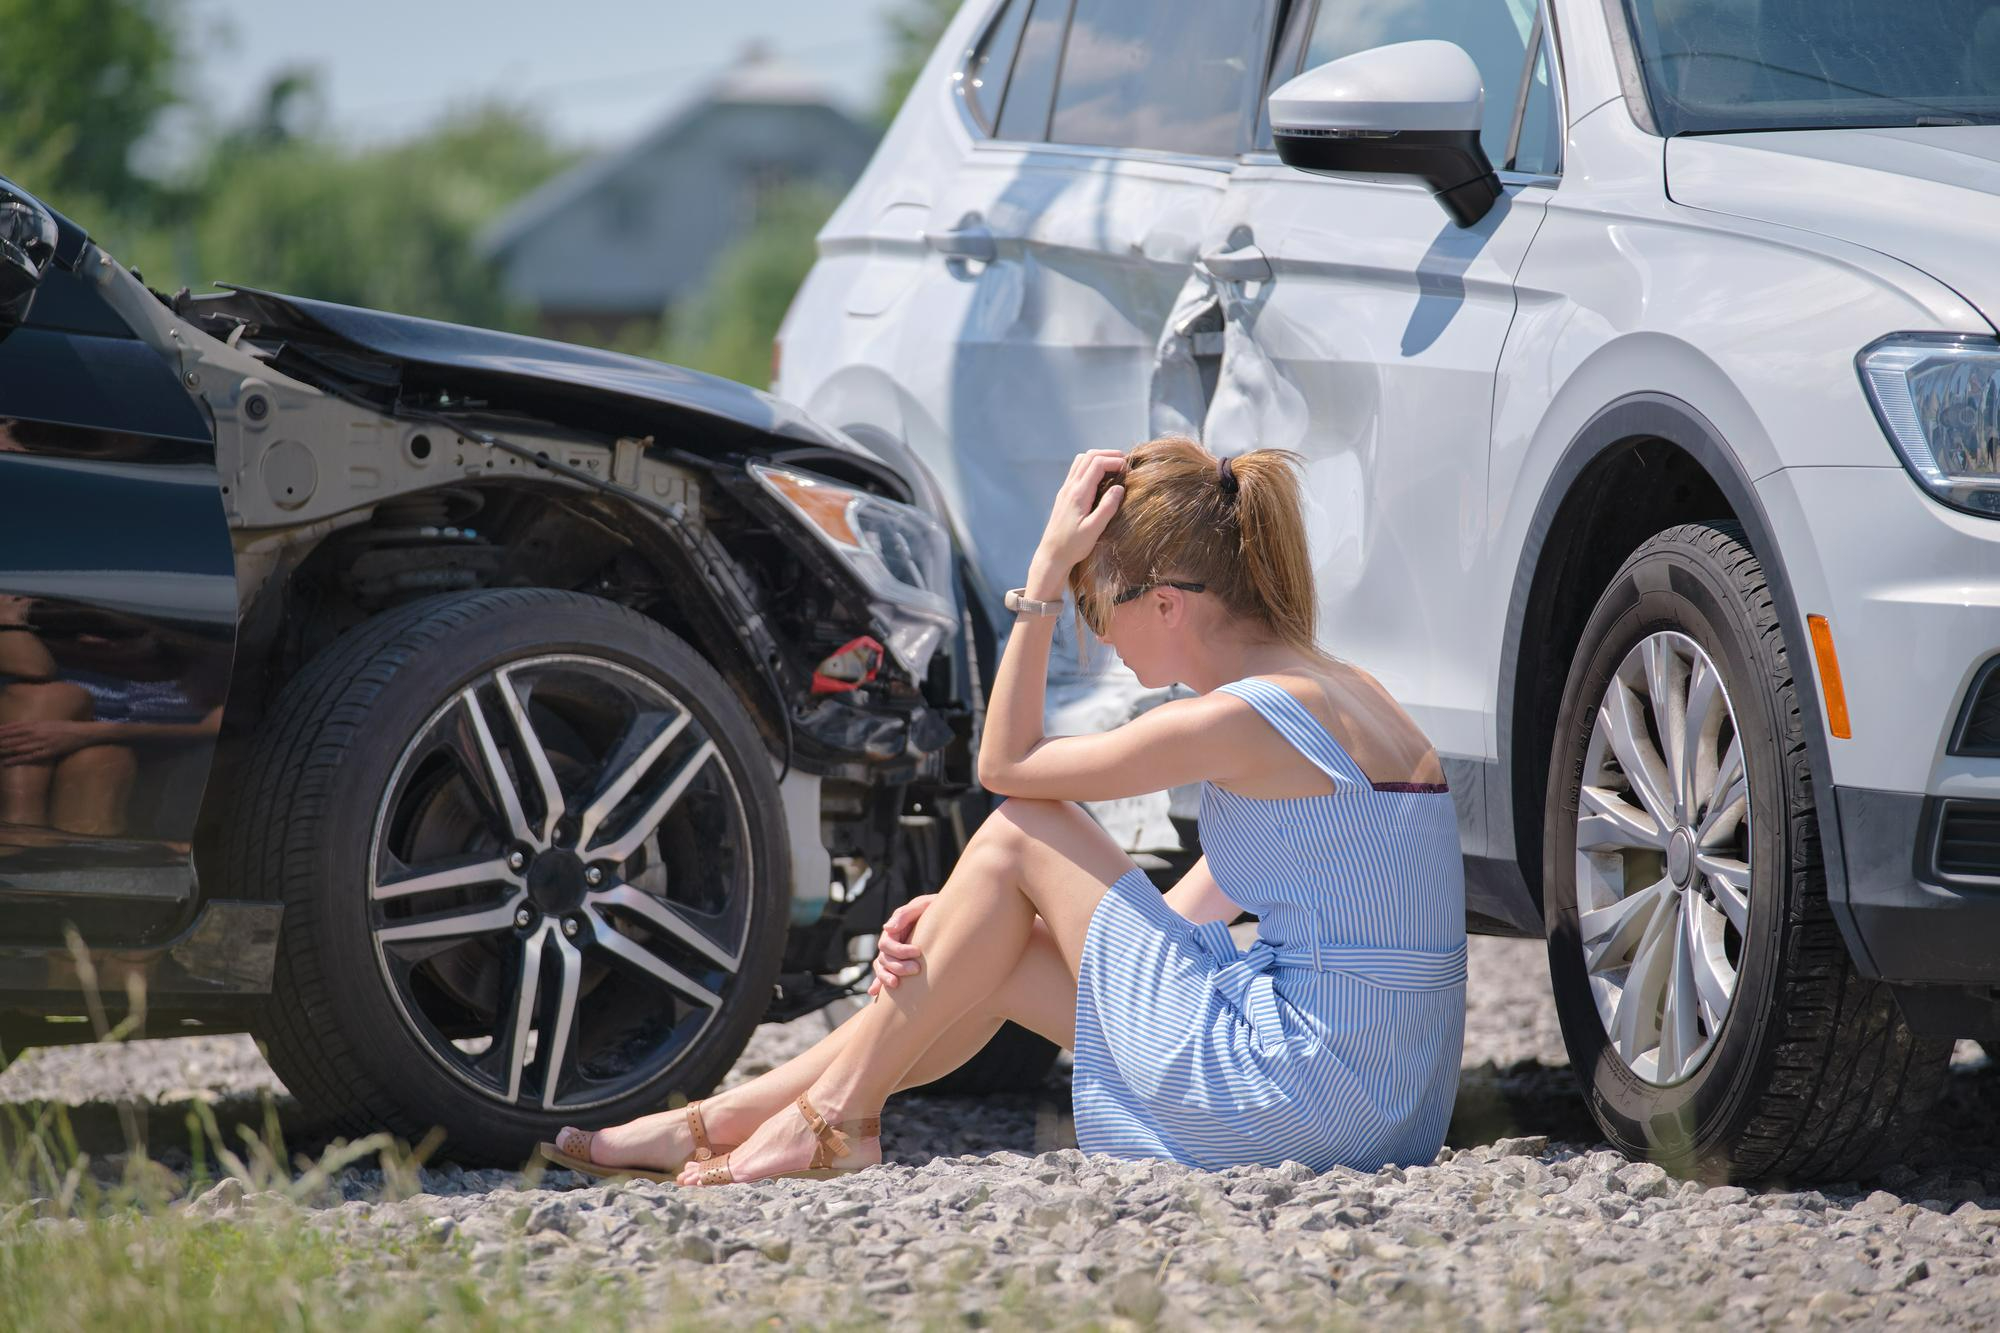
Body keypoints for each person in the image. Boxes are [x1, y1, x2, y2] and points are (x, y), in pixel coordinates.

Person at [542, 436, 1466, 1184]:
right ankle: (726, 1122)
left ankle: (832, 1121)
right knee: (1002, 953)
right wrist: (961, 922)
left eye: (1098, 604)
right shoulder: (1339, 694)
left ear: (1172, 605)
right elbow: (1178, 927)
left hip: (1306, 1093)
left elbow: (1008, 766)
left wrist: (1040, 575)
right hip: (1383, 1101)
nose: (1094, 634)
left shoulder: (1242, 718)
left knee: (1026, 824)